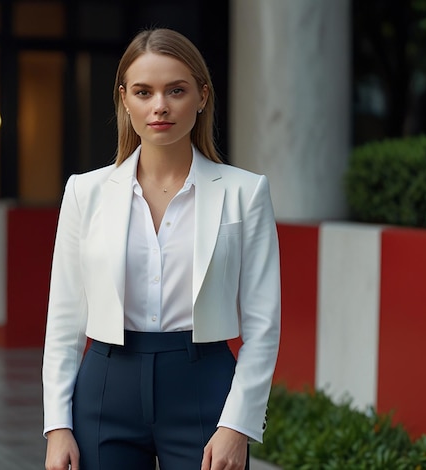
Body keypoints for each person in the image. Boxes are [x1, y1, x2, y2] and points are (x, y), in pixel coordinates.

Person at [43, 28, 281, 470]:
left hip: (203, 383)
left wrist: (238, 425)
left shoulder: (245, 192)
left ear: (202, 96)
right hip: (106, 386)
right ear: (124, 99)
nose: (160, 106)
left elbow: (263, 325)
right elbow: (64, 319)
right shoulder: (85, 192)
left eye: (176, 90)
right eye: (143, 91)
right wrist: (57, 427)